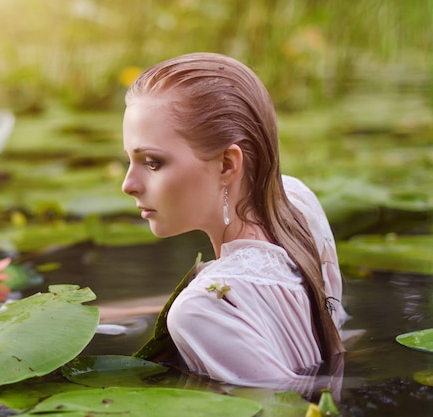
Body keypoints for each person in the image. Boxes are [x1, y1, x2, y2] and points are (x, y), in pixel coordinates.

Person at [121, 52, 347, 387]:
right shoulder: (298, 201)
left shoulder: (200, 311)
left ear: (227, 164)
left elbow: (284, 408)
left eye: (152, 162)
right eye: (129, 160)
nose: (128, 185)